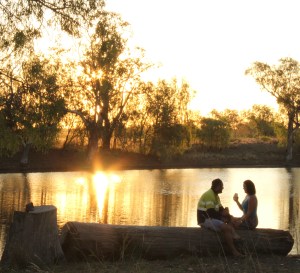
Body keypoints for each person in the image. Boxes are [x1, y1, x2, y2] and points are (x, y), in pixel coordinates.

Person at [197, 178, 244, 257]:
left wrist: (230, 217)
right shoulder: (209, 195)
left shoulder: (216, 196)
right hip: (205, 219)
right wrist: (222, 217)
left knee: (230, 222)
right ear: (218, 186)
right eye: (222, 186)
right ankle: (234, 251)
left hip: (211, 218)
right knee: (227, 227)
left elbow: (221, 209)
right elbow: (210, 213)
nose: (223, 188)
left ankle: (236, 243)